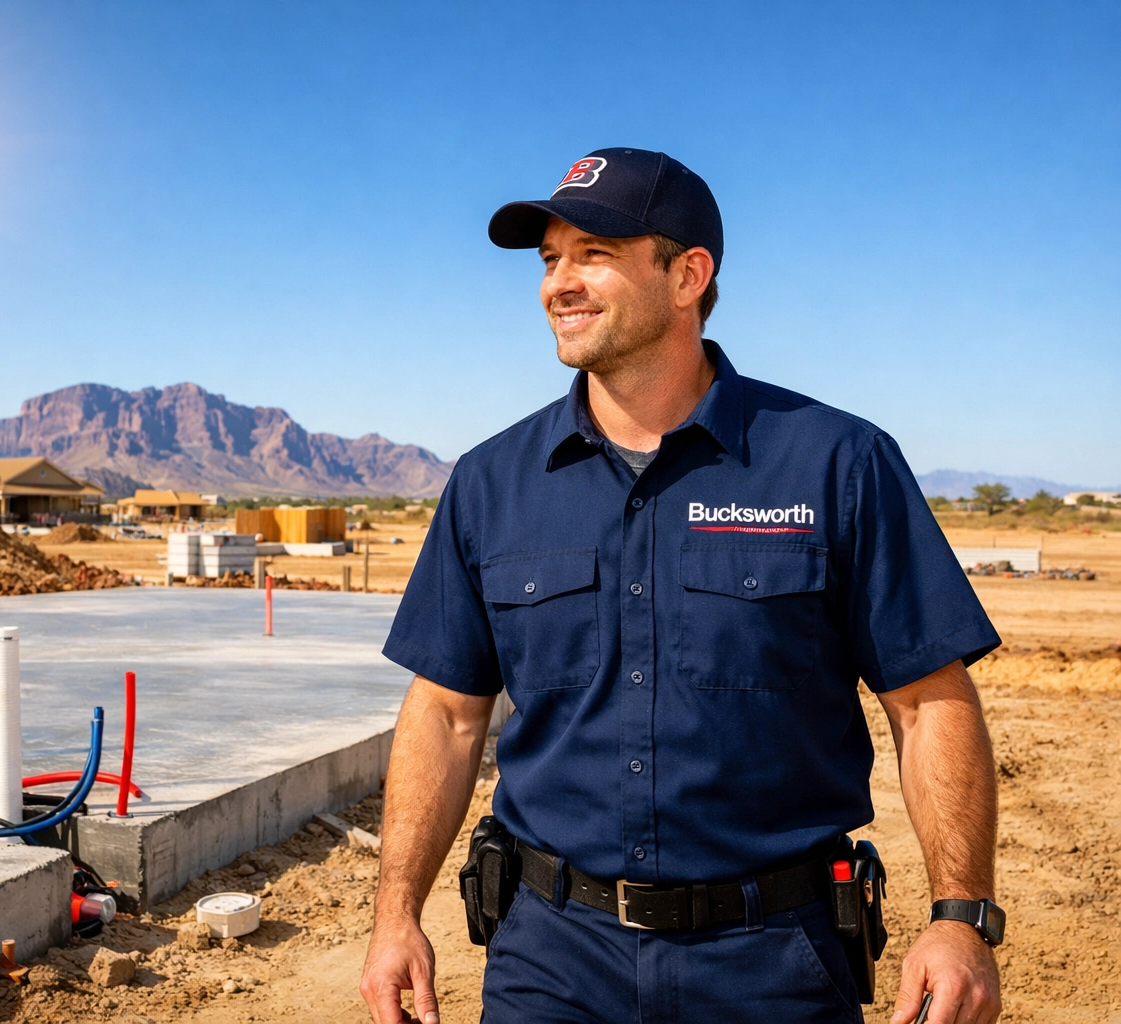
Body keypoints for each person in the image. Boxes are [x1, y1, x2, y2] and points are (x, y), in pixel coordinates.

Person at [360, 148, 1004, 1024]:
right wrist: (395, 914)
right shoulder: (490, 483)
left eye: (593, 252)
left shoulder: (836, 464)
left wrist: (961, 918)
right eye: (550, 259)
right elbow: (445, 711)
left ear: (688, 275)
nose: (559, 283)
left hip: (775, 963)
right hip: (552, 958)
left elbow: (930, 701)